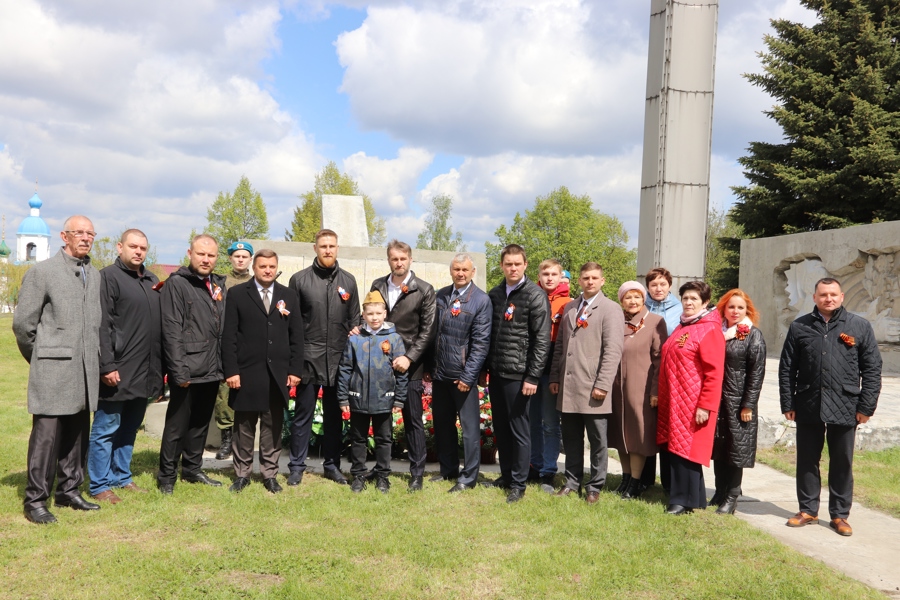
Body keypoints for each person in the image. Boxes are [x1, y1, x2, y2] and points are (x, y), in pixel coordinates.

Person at [14, 216, 103, 523]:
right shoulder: (43, 272)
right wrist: (42, 358)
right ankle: (36, 500)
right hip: (53, 368)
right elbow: (23, 324)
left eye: (90, 233)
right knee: (47, 436)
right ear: (65, 236)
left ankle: (69, 491)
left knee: (78, 433)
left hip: (84, 370)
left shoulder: (95, 275)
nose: (85, 237)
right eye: (79, 232)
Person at [780, 278, 881, 536]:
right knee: (806, 459)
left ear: (842, 296)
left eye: (833, 294)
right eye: (823, 294)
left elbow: (872, 369)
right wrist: (788, 402)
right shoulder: (799, 327)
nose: (829, 299)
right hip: (808, 403)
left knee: (842, 462)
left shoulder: (859, 326)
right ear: (814, 297)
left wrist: (866, 406)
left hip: (846, 405)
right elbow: (787, 368)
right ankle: (807, 510)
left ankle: (839, 515)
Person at [88, 229, 163, 505]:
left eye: (143, 247)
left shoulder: (152, 279)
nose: (139, 251)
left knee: (130, 427)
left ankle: (121, 476)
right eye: (133, 246)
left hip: (146, 370)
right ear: (120, 247)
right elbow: (102, 324)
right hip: (118, 369)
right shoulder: (107, 277)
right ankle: (99, 483)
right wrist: (107, 365)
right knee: (106, 428)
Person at [222, 249, 303, 494]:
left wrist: (295, 369)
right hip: (246, 374)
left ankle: (269, 474)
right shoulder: (237, 294)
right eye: (262, 266)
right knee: (244, 427)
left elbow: (296, 336)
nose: (267, 270)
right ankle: (242, 473)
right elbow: (229, 337)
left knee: (272, 427)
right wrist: (231, 370)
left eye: (271, 266)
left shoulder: (288, 295)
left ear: (276, 267)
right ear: (254, 268)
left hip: (277, 374)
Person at [287, 230, 360, 486]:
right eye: (323, 246)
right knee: (303, 415)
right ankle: (296, 466)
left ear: (338, 248)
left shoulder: (349, 281)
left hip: (339, 361)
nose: (328, 250)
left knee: (333, 417)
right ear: (315, 248)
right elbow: (292, 325)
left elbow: (355, 320)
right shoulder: (299, 280)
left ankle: (332, 465)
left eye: (332, 246)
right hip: (308, 359)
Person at [157, 233, 227, 494]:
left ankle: (192, 469)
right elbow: (172, 329)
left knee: (199, 423)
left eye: (211, 255)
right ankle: (166, 476)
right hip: (187, 368)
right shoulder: (178, 284)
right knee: (177, 426)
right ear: (190, 254)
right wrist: (178, 370)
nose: (206, 259)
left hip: (211, 367)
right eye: (201, 254)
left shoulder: (218, 285)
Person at [549, 263, 624, 504]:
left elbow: (613, 351)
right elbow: (560, 346)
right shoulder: (571, 307)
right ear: (579, 281)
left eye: (594, 278)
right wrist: (554, 377)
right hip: (569, 386)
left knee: (597, 440)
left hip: (594, 387)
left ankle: (594, 486)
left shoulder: (611, 309)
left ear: (602, 281)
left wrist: (602, 383)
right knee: (571, 438)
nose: (590, 281)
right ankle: (572, 481)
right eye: (585, 278)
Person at [365, 240, 435, 492]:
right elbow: (369, 315)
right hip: (379, 365)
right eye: (394, 259)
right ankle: (380, 468)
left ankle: (417, 472)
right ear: (388, 260)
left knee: (412, 419)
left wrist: (410, 357)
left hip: (409, 366)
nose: (399, 263)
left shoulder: (424, 290)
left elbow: (428, 331)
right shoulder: (378, 285)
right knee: (380, 418)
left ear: (410, 260)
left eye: (403, 258)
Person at [486, 244, 550, 503]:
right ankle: (506, 475)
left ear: (525, 265)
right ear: (501, 266)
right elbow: (488, 335)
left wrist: (532, 377)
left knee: (519, 429)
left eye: (517, 264)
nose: (512, 268)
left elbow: (542, 340)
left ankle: (519, 483)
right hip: (497, 372)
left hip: (520, 375)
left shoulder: (535, 295)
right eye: (508, 264)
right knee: (501, 427)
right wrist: (484, 369)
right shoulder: (495, 293)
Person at [656, 280, 725, 515]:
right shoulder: (682, 326)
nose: (688, 302)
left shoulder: (710, 329)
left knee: (687, 449)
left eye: (694, 299)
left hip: (694, 401)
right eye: (685, 298)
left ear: (705, 302)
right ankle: (692, 497)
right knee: (677, 447)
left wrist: (705, 405)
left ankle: (682, 501)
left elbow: (714, 373)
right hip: (675, 398)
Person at [431, 253, 492, 492]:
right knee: (443, 424)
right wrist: (430, 368)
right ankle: (448, 471)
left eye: (465, 270)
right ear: (451, 270)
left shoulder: (480, 300)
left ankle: (468, 477)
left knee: (469, 429)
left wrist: (468, 377)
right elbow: (432, 334)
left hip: (461, 377)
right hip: (440, 374)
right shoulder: (441, 295)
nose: (460, 273)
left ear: (472, 272)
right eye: (456, 269)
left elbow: (481, 343)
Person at [338, 291, 409, 493]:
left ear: (385, 313)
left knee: (384, 439)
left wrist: (399, 399)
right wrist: (343, 396)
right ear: (363, 314)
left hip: (384, 398)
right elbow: (345, 368)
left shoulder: (394, 339)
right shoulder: (355, 339)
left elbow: (401, 373)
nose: (375, 317)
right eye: (370, 314)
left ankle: (383, 476)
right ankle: (358, 475)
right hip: (358, 397)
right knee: (358, 438)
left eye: (378, 313)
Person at [609, 281, 667, 500]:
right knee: (620, 434)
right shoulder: (617, 322)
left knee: (637, 437)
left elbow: (660, 359)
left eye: (637, 297)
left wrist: (655, 391)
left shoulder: (654, 322)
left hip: (641, 388)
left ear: (644, 299)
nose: (632, 301)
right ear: (621, 301)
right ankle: (624, 478)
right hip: (617, 388)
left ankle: (635, 481)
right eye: (627, 297)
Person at [710, 289, 766, 515]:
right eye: (731, 307)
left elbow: (757, 372)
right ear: (723, 308)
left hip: (738, 402)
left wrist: (748, 405)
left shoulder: (752, 335)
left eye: (740, 307)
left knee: (736, 450)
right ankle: (720, 490)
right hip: (717, 399)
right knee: (718, 447)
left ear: (747, 310)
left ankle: (732, 496)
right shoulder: (717, 332)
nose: (735, 311)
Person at [530, 259, 572, 492]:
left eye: (553, 274)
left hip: (551, 368)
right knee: (531, 421)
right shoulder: (531, 296)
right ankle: (533, 465)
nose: (549, 278)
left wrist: (556, 374)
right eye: (545, 273)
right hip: (529, 369)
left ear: (560, 277)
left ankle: (548, 470)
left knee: (550, 423)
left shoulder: (568, 303)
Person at [639, 267, 681, 491]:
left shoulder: (681, 309)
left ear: (670, 286)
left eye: (662, 284)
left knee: (668, 426)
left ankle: (669, 481)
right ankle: (644, 479)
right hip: (645, 372)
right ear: (648, 287)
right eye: (654, 284)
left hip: (672, 373)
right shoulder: (640, 306)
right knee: (646, 424)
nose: (658, 288)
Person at [212, 241, 254, 461]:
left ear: (250, 259)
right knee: (224, 395)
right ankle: (227, 439)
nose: (240, 259)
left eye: (244, 256)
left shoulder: (257, 283)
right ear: (230, 258)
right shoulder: (220, 282)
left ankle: (242, 440)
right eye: (236, 256)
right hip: (224, 343)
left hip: (248, 345)